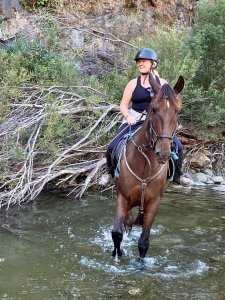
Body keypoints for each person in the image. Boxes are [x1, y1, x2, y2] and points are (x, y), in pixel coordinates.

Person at [106, 48, 190, 185]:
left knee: (179, 147)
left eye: (143, 61)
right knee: (111, 146)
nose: (140, 63)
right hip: (134, 119)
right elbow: (123, 105)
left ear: (153, 63)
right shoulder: (133, 83)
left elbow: (168, 104)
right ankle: (110, 174)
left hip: (156, 121)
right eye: (138, 61)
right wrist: (128, 116)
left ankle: (177, 176)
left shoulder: (163, 83)